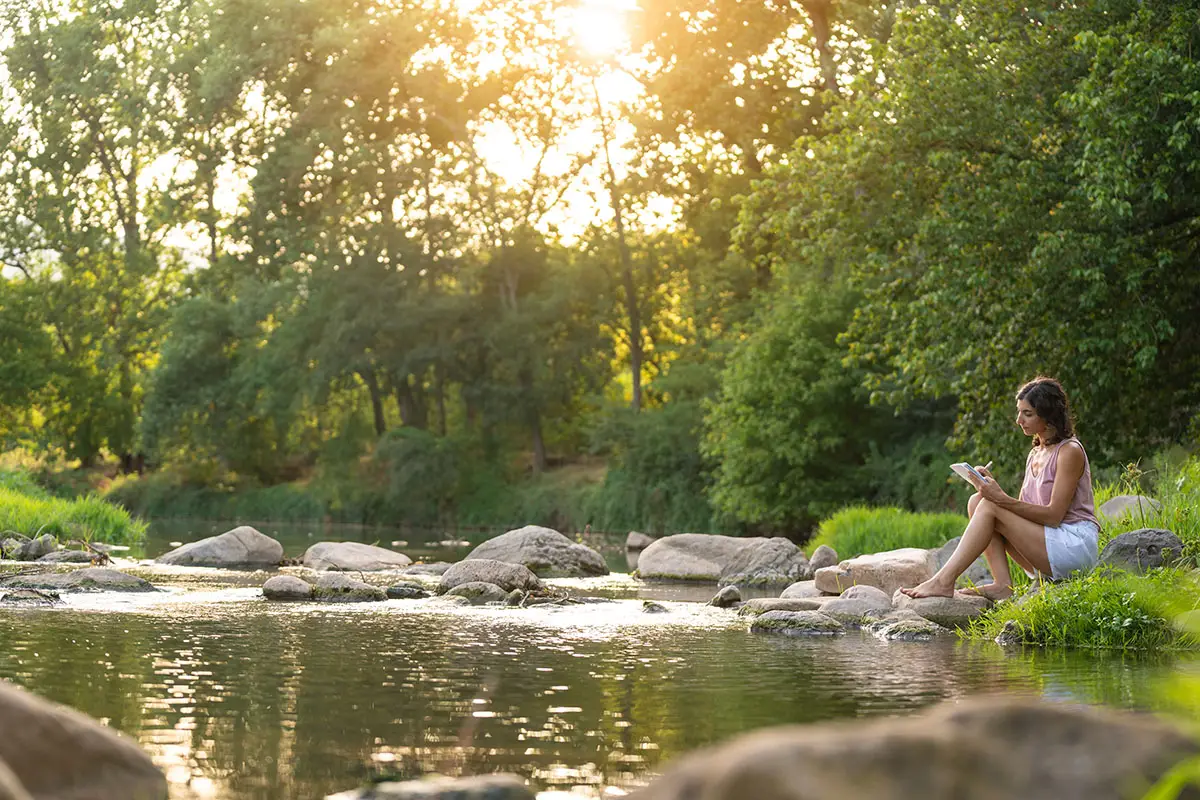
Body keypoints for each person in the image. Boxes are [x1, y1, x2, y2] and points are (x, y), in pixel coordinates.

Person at [900, 376, 1100, 600]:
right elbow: (1028, 510)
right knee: (977, 502)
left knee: (989, 506)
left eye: (1027, 413)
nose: (1018, 420)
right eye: (1019, 412)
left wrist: (1000, 499)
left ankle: (943, 581)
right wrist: (991, 489)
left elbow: (1053, 516)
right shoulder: (1036, 452)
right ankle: (1003, 584)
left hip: (1073, 545)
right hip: (1047, 543)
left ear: (1048, 415)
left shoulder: (1069, 451)